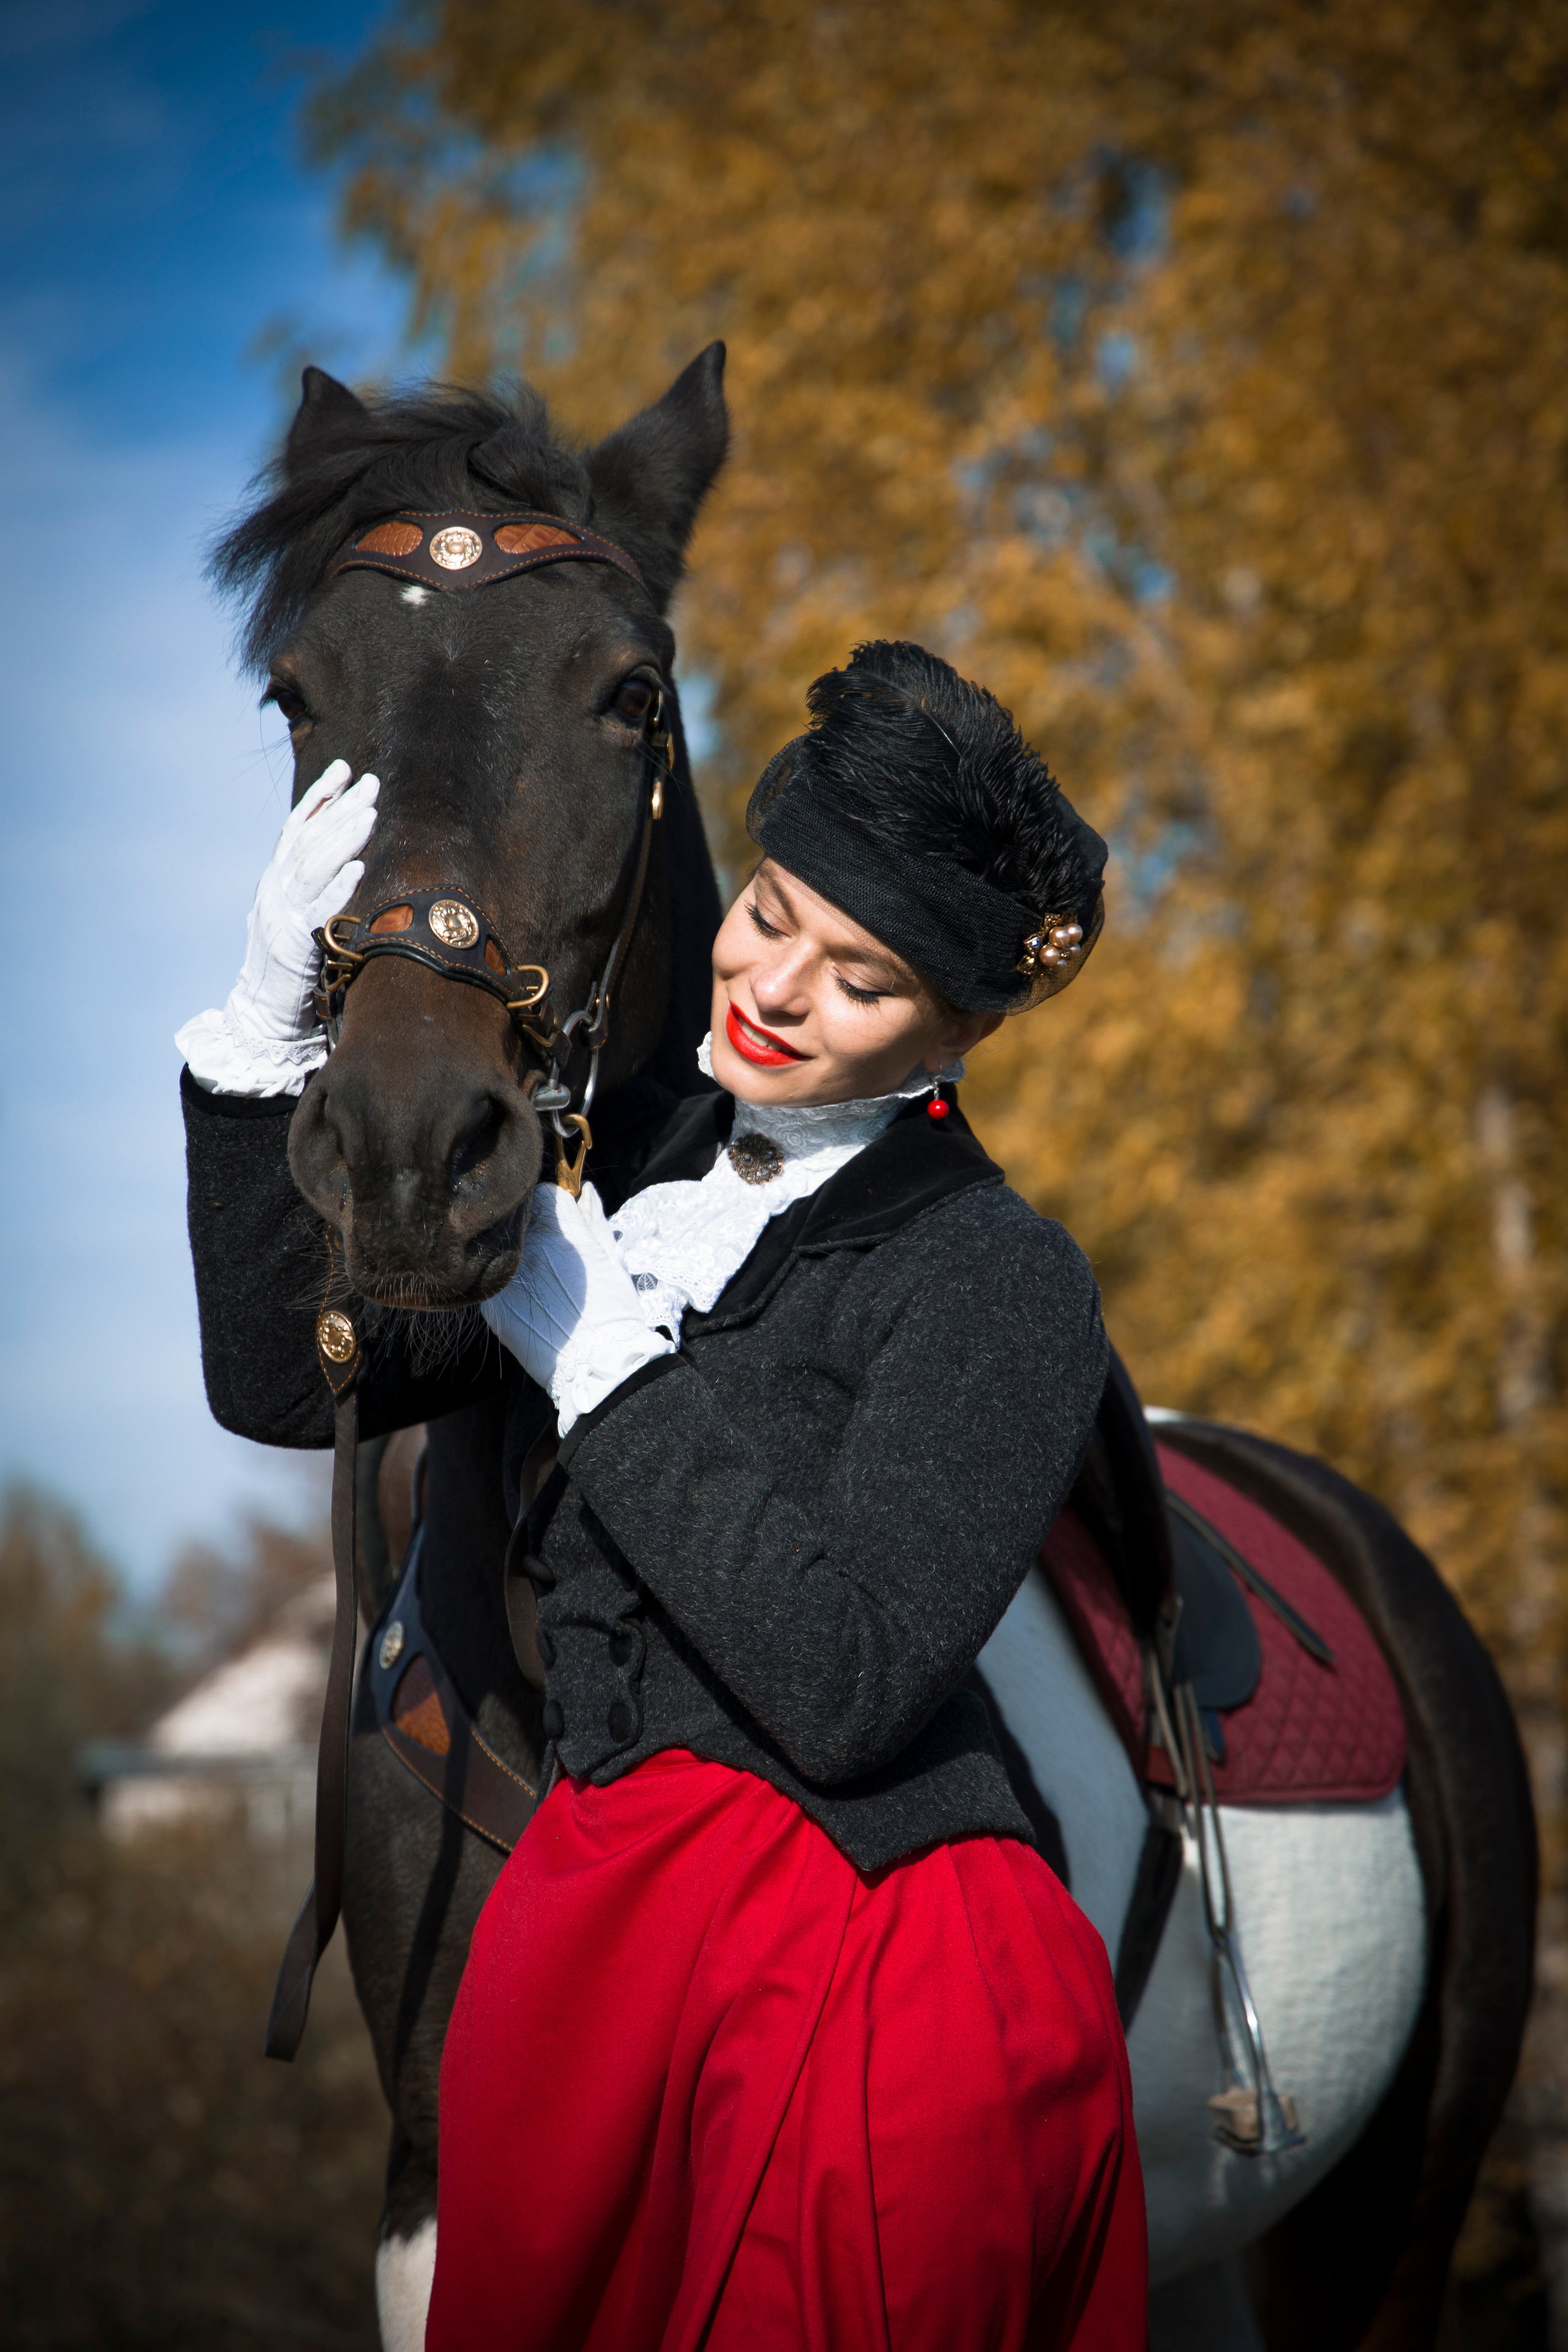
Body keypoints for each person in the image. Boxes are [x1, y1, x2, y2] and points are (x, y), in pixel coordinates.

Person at [420, 642, 1145, 2350]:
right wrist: (249, 1049)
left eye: (864, 977)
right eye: (768, 911)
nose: (777, 988)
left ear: (950, 1032)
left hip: (869, 1977)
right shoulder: (634, 1168)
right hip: (596, 1934)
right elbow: (284, 1384)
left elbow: (854, 1680)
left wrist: (600, 1367)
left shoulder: (999, 1275)